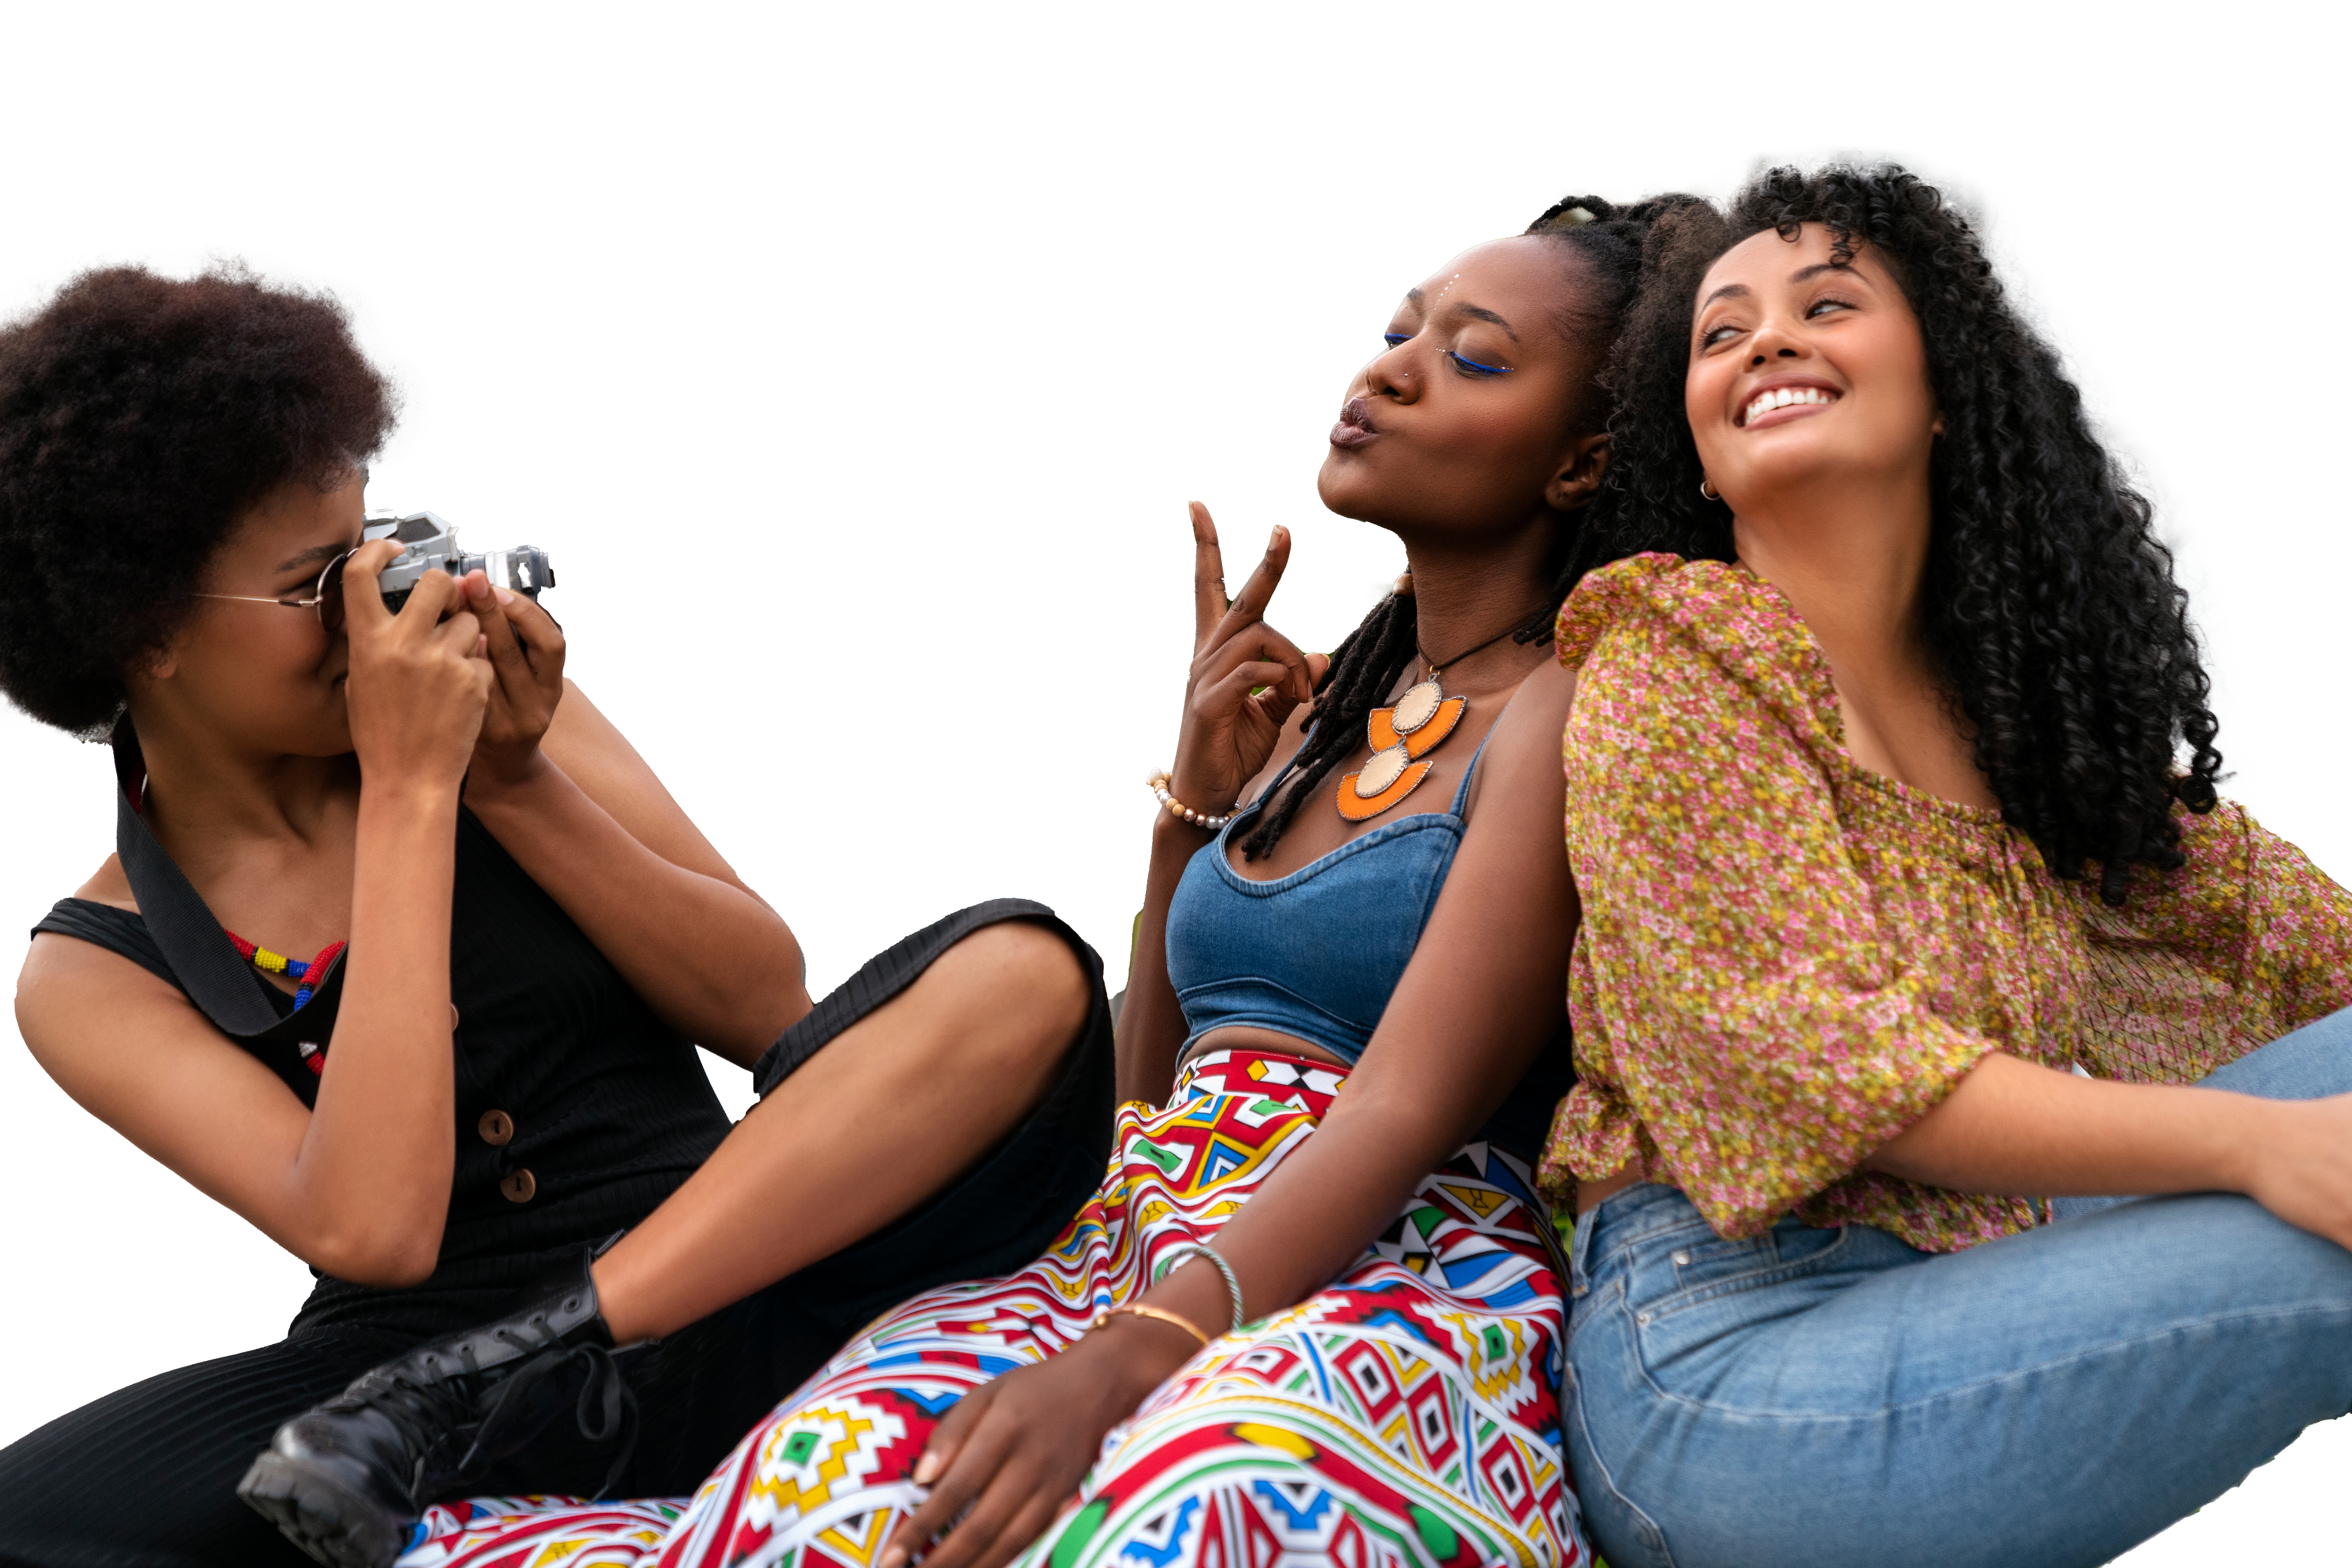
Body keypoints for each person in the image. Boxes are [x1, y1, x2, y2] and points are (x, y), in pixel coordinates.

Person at [389, 191, 1698, 1568]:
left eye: (1475, 357)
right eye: (1394, 332)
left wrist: (1134, 1359)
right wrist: (1193, 809)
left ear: (1580, 464)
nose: (1387, 368)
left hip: (1380, 1275)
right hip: (1128, 1243)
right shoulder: (1327, 715)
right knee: (830, 1490)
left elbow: (1404, 1102)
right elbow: (1148, 1108)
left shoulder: (1566, 706)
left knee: (1175, 1515)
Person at [0, 261, 1114, 1568]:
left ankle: (525, 1386)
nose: (377, 609)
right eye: (317, 588)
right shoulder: (95, 969)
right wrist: (417, 790)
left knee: (1029, 974)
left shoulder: (484, 709)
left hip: (720, 1260)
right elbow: (374, 1226)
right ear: (148, 635)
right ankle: (479, 1406)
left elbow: (770, 1011)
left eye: (374, 550)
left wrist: (517, 783)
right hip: (400, 1368)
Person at [1545, 158, 2352, 1568]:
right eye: (1719, 332)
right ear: (1694, 430)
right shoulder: (1671, 664)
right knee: (2322, 1239)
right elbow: (1812, 1060)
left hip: (1986, 1285)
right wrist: (2258, 1143)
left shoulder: (2028, 737)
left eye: (1828, 302)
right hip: (1729, 1367)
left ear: (1942, 390)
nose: (1766, 341)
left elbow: (2304, 951)